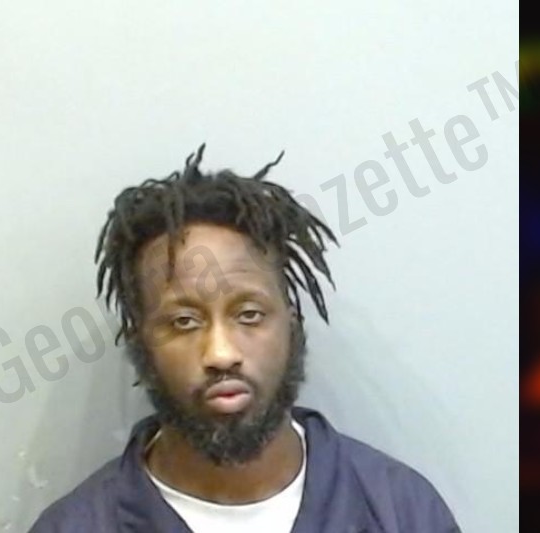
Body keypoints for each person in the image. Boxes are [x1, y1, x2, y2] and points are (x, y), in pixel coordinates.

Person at [29, 145, 460, 532]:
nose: (221, 354)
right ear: (139, 343)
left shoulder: (401, 511)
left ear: (292, 325)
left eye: (249, 315)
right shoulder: (77, 526)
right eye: (184, 321)